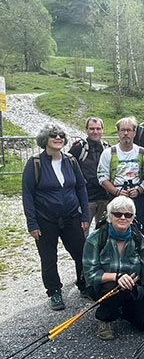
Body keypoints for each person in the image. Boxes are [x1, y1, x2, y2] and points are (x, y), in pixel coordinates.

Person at [22, 124, 89, 310]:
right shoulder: (34, 163)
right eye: (53, 135)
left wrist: (85, 214)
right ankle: (54, 292)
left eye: (61, 135)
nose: (58, 137)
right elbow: (27, 194)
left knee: (81, 253)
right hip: (45, 219)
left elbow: (81, 188)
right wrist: (32, 223)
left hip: (70, 217)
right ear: (45, 139)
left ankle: (84, 285)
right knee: (48, 257)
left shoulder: (71, 160)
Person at [83, 196, 144, 340]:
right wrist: (116, 276)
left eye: (128, 215)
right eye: (118, 214)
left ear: (132, 218)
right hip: (104, 287)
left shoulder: (139, 240)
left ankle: (123, 309)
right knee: (114, 286)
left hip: (130, 287)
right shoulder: (95, 239)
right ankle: (105, 318)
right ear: (110, 216)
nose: (123, 217)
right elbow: (90, 276)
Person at [97, 116, 144, 233]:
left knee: (140, 230)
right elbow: (102, 177)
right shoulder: (108, 153)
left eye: (129, 130)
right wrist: (117, 192)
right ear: (118, 133)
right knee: (115, 229)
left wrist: (139, 190)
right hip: (115, 196)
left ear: (134, 133)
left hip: (138, 197)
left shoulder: (143, 152)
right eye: (122, 130)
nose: (126, 133)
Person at [69, 117, 110, 235]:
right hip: (86, 197)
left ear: (102, 130)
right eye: (92, 129)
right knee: (82, 231)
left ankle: (99, 253)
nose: (95, 132)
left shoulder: (107, 148)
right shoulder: (79, 148)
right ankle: (82, 253)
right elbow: (68, 167)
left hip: (104, 196)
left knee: (103, 230)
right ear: (86, 130)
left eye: (98, 129)